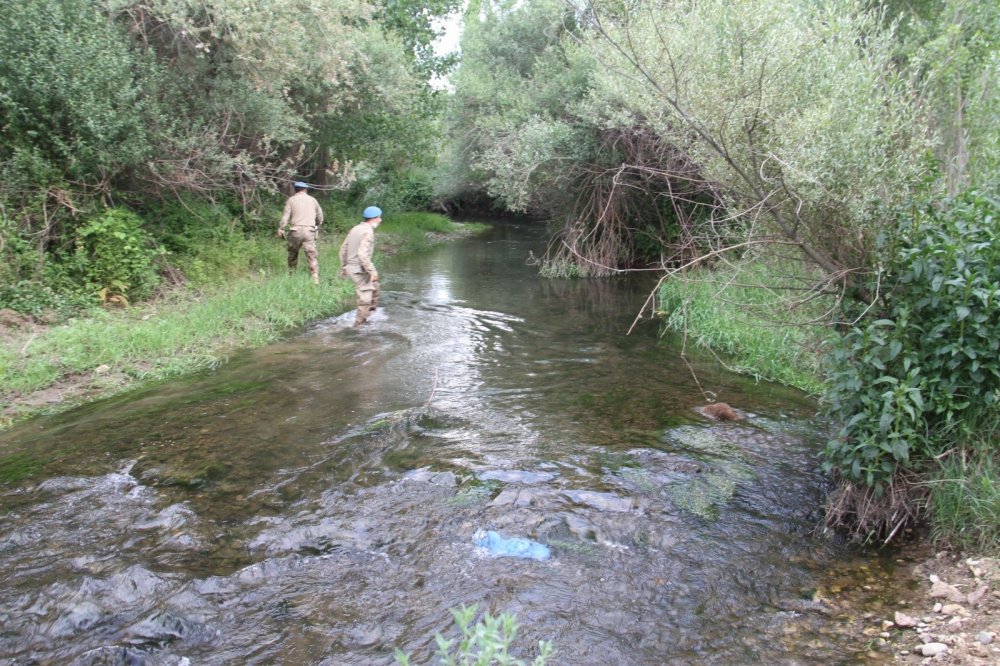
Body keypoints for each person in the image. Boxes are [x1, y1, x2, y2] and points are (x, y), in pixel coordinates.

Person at [339, 206, 382, 326]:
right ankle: (359, 327)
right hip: (359, 270)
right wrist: (372, 271)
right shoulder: (368, 232)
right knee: (365, 298)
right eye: (379, 218)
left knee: (375, 287)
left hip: (351, 267)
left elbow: (343, 249)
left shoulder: (355, 228)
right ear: (374, 218)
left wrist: (344, 267)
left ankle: (371, 315)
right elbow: (362, 254)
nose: (380, 220)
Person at [277, 181, 324, 284]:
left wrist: (281, 228)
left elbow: (285, 216)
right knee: (311, 256)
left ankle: (292, 276)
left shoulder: (291, 200)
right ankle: (315, 278)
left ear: (295, 189)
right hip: (309, 231)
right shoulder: (313, 200)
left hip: (295, 231)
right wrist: (316, 224)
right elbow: (320, 216)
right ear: (306, 189)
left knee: (292, 254)